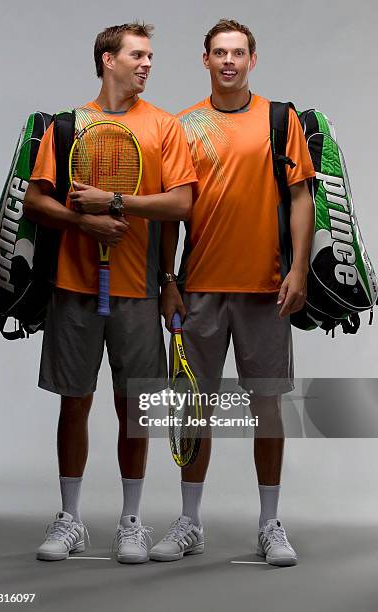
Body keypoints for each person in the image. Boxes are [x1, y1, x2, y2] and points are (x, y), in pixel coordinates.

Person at [23, 22, 196, 564]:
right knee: (74, 404)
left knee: (133, 409)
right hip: (73, 287)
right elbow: (36, 201)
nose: (146, 64)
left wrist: (116, 205)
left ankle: (130, 522)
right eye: (137, 55)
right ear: (107, 60)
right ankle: (70, 519)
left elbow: (181, 205)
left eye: (150, 57)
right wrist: (84, 224)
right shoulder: (68, 125)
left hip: (140, 291)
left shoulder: (165, 126)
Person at [151, 19, 315, 566]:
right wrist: (167, 280)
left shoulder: (279, 119)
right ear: (205, 60)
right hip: (198, 287)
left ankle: (270, 524)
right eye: (219, 53)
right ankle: (189, 522)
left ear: (252, 59)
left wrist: (298, 272)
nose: (228, 61)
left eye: (238, 53)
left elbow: (299, 198)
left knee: (266, 406)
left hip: (267, 288)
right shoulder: (183, 125)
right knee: (192, 407)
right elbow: (172, 213)